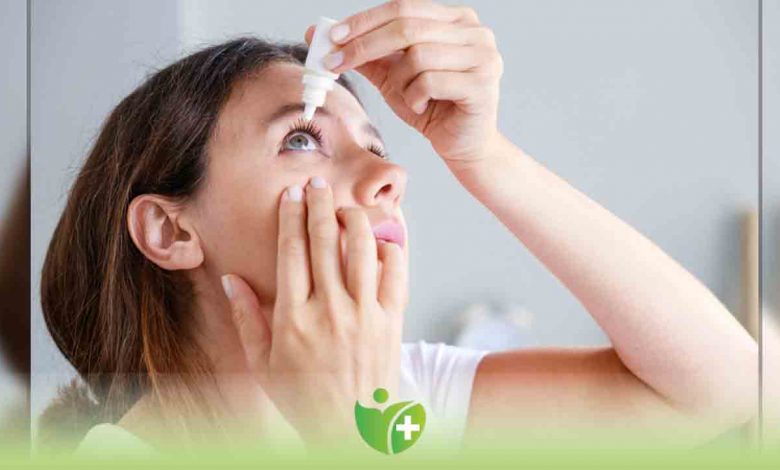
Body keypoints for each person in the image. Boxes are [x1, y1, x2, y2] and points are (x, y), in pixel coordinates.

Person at [39, 0, 756, 456]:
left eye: (377, 146)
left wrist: (483, 157)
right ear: (170, 232)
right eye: (300, 139)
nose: (391, 176)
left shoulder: (404, 393)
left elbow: (718, 392)